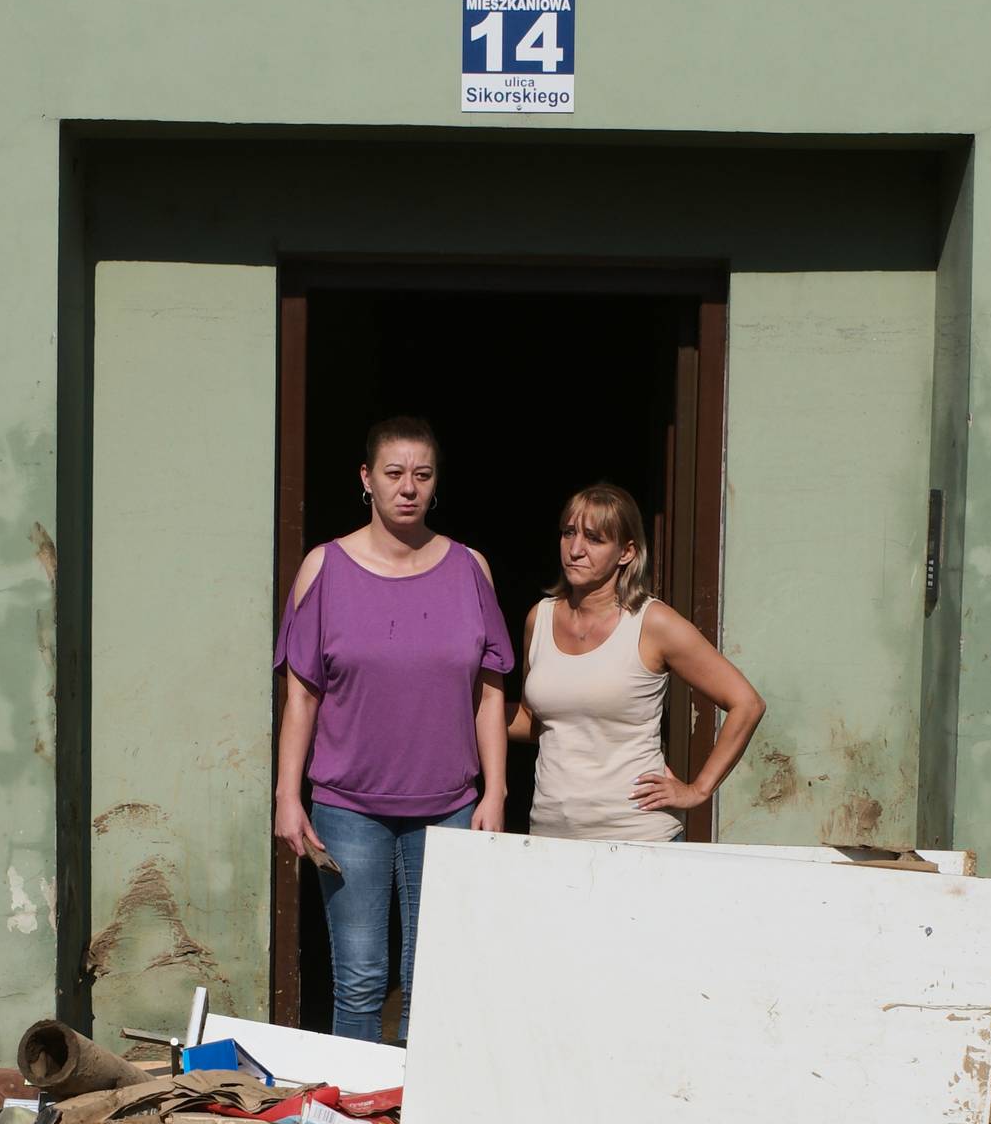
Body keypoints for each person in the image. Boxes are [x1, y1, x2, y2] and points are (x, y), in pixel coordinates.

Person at [272, 416, 513, 1043]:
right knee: (358, 979)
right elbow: (301, 694)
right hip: (347, 808)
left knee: (432, 978)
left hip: (451, 807)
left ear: (436, 485)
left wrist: (495, 792)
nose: (408, 487)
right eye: (394, 473)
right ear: (367, 479)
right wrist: (287, 796)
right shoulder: (324, 568)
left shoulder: (469, 569)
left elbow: (490, 691)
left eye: (422, 475)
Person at [509, 482, 764, 841]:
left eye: (594, 538)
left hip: (637, 836)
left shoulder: (651, 622)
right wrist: (451, 712)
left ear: (626, 552)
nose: (576, 549)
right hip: (552, 835)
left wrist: (698, 789)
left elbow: (747, 703)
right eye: (569, 533)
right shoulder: (540, 618)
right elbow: (532, 720)